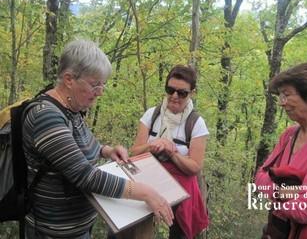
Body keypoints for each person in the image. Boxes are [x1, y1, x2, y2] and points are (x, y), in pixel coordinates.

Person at [23, 39, 173, 239]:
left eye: (102, 84)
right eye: (95, 85)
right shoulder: (46, 117)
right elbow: (86, 176)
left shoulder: (72, 108)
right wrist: (146, 193)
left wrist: (107, 150)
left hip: (78, 229)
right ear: (69, 79)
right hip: (53, 231)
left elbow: (80, 147)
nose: (100, 92)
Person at [255, 63, 307, 238]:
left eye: (286, 95)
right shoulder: (289, 135)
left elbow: (304, 211)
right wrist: (293, 191)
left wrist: (276, 193)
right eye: (280, 96)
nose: (281, 103)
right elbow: (259, 178)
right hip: (276, 231)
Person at [130, 64, 209, 239]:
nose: (174, 96)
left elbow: (195, 166)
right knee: (128, 222)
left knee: (179, 232)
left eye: (182, 93)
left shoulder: (196, 123)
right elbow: (134, 153)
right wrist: (152, 146)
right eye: (170, 90)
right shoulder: (152, 114)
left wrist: (172, 152)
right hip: (148, 177)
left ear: (192, 93)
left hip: (180, 186)